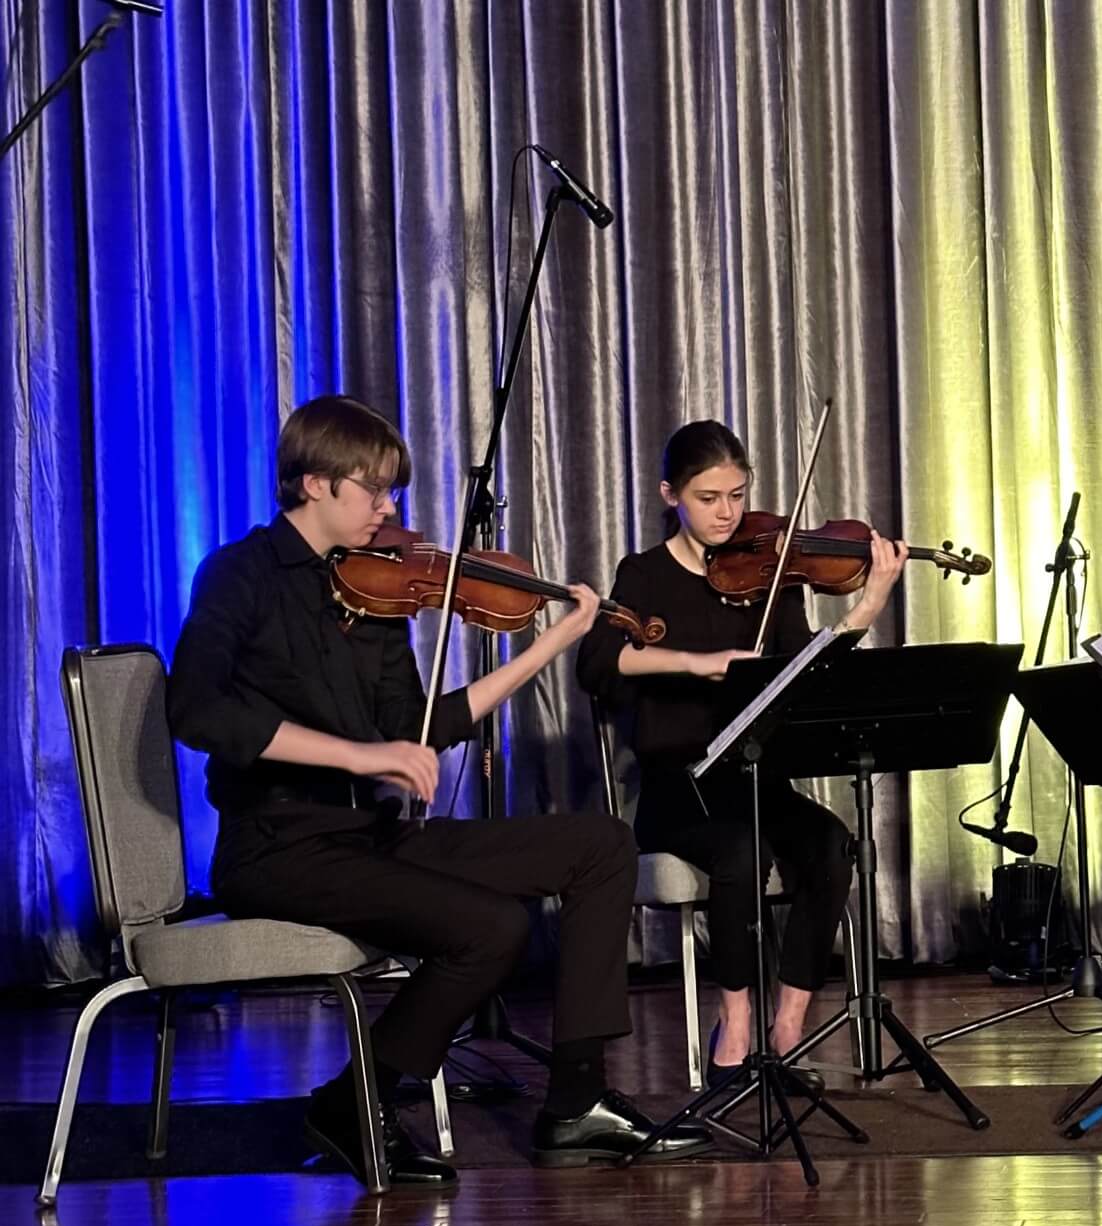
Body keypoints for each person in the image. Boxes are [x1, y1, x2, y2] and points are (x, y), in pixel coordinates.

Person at [167, 395, 712, 1185]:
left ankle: (575, 1104)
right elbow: (198, 709)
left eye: (392, 490)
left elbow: (418, 728)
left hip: (372, 837)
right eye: (375, 488)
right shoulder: (238, 574)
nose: (389, 508)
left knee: (600, 844)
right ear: (315, 483)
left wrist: (551, 644)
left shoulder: (375, 590)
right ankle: (355, 1102)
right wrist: (360, 757)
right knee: (492, 928)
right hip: (277, 845)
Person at [576, 420, 907, 1087]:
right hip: (679, 786)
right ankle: (735, 1022)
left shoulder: (772, 569)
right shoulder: (643, 574)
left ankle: (788, 1026)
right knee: (741, 852)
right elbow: (598, 663)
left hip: (758, 778)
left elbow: (805, 668)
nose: (726, 512)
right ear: (671, 494)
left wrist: (870, 602)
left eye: (736, 494)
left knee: (831, 844)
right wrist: (697, 663)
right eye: (708, 498)